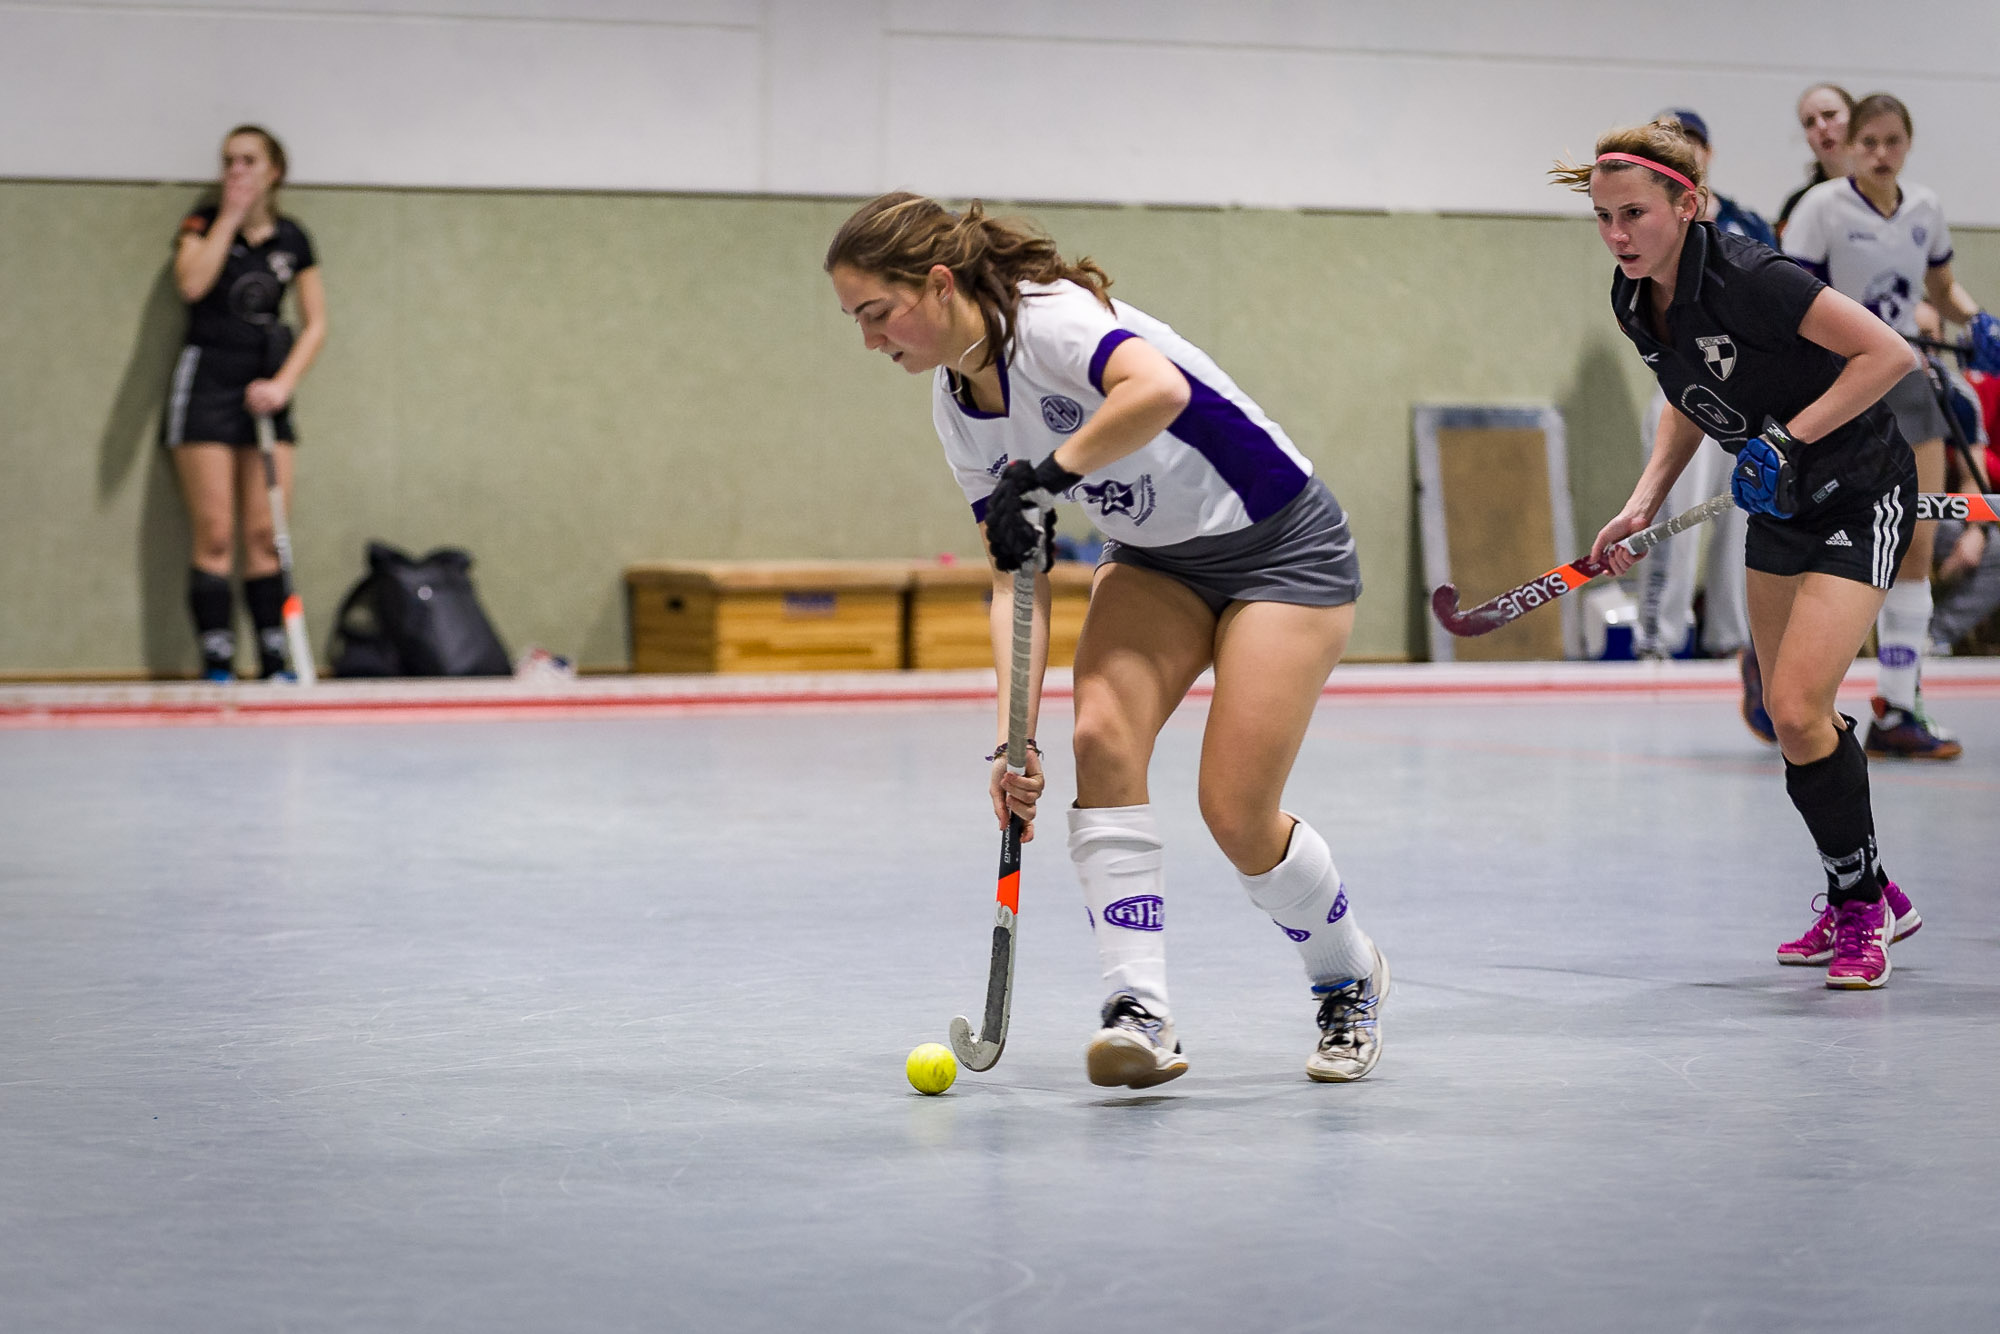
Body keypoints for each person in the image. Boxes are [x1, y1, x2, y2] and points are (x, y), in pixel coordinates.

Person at [826, 193, 1385, 1086]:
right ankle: (1140, 1013)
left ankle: (1346, 975)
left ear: (937, 284)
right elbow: (1015, 573)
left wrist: (1050, 475)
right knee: (1098, 738)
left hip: (1280, 545)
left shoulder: (1048, 320)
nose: (867, 340)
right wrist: (1013, 741)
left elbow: (1158, 390)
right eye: (855, 320)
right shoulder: (957, 408)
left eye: (876, 313)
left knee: (1236, 813)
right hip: (1158, 559)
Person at [1559, 120, 1923, 988]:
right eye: (1604, 217)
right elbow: (1688, 398)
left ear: (1687, 205)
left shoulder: (1754, 276)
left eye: (1634, 214)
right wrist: (1642, 503)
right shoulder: (1633, 296)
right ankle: (1869, 891)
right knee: (1789, 714)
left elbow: (1889, 354)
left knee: (1796, 709)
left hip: (1860, 491)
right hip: (1780, 504)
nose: (1617, 235)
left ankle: (1861, 912)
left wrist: (1788, 439)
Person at [1783, 93, 2000, 758]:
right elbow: (1790, 302)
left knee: (1917, 544)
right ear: (1850, 146)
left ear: (1907, 145)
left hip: (1908, 382)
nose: (1880, 154)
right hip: (1838, 384)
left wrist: (1978, 321)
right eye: (1868, 142)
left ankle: (1899, 706)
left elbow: (1942, 290)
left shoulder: (1925, 208)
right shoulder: (1819, 209)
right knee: (1816, 538)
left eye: (1892, 142)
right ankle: (1793, 691)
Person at [165, 125, 326, 681]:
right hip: (208, 384)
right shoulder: (201, 225)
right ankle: (217, 663)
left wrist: (283, 384)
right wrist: (230, 217)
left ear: (274, 172)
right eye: (228, 160)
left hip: (265, 389)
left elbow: (316, 324)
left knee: (265, 535)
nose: (236, 170)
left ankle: (274, 661)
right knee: (215, 534)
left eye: (249, 161)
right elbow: (192, 285)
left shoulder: (293, 238)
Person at [1629, 111, 1767, 687]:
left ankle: (1730, 640)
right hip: (1684, 389)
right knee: (1675, 516)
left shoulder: (1747, 222)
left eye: (1690, 143)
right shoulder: (1645, 218)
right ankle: (1658, 642)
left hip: (1747, 394)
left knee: (1744, 518)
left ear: (1708, 153)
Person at [1776, 83, 1854, 238]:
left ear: (1857, 119)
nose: (1821, 126)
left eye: (1830, 114)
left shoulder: (1886, 194)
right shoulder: (1799, 205)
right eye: (1809, 123)